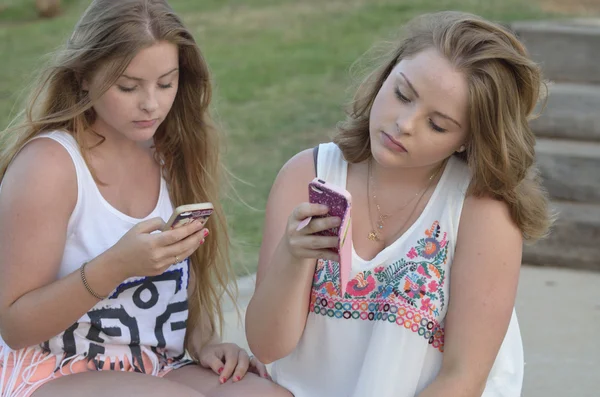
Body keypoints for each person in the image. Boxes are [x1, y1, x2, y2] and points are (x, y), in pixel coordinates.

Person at [245, 11, 553, 397]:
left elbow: (463, 378)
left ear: (467, 139)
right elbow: (267, 348)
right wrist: (292, 258)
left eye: (437, 124)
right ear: (386, 75)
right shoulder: (307, 175)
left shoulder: (482, 209)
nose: (405, 123)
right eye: (403, 94)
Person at [0, 1, 291, 396]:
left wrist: (205, 342)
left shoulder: (172, 154)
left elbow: (182, 281)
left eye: (166, 83)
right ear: (84, 76)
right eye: (128, 87)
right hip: (50, 370)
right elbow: (15, 327)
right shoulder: (49, 165)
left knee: (266, 393)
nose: (151, 104)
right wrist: (116, 266)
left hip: (155, 366)